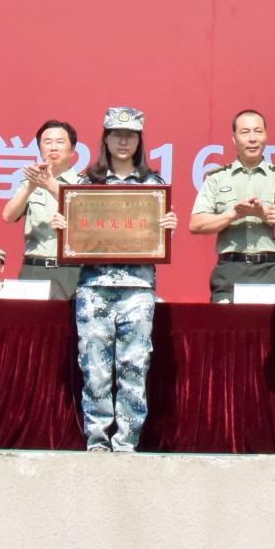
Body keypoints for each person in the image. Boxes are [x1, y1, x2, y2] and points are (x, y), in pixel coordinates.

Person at [63, 107, 177, 451]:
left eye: (130, 135)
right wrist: (64, 226)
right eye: (116, 134)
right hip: (94, 287)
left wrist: (167, 227)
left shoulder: (153, 185)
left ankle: (126, 443)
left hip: (137, 289)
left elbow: (157, 237)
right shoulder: (87, 183)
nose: (123, 141)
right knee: (95, 367)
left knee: (134, 366)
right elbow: (76, 232)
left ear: (140, 140)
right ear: (106, 139)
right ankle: (97, 441)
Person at [190, 108, 275, 302]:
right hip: (230, 271)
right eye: (245, 132)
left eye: (258, 131)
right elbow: (196, 224)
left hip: (271, 270)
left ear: (266, 136)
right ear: (234, 139)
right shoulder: (217, 178)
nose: (252, 138)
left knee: (273, 323)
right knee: (227, 323)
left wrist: (263, 215)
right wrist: (232, 214)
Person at [0, 119, 86, 300]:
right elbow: (8, 216)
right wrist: (30, 186)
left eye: (60, 142)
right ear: (39, 149)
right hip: (34, 267)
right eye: (47, 142)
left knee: (68, 318)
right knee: (28, 318)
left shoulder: (83, 184)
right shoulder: (30, 183)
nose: (53, 147)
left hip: (71, 270)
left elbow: (87, 216)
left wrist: (51, 186)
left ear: (72, 150)